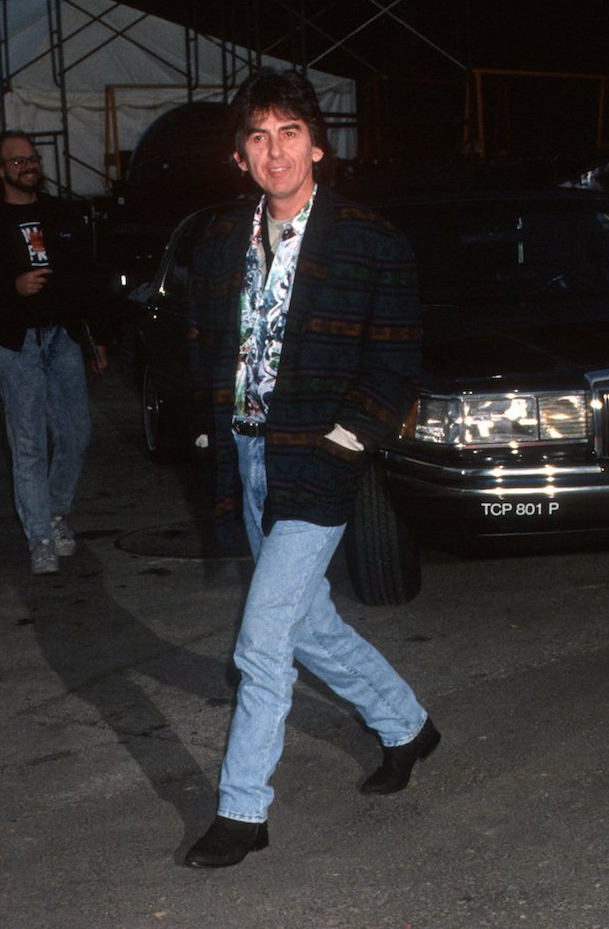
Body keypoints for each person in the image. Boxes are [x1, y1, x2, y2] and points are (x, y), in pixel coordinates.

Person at [182, 69, 438, 869]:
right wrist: (207, 426)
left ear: (319, 145)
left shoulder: (369, 238)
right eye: (258, 136)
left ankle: (243, 810)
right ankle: (406, 725)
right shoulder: (222, 238)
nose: (275, 151)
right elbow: (205, 342)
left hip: (319, 461)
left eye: (289, 132)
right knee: (307, 623)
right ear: (240, 155)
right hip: (248, 452)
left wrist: (345, 442)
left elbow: (396, 365)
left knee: (261, 638)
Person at [0, 131, 108, 575]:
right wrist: (13, 287)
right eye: (18, 161)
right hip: (15, 343)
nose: (29, 166)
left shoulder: (62, 215)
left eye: (33, 159)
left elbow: (86, 278)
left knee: (76, 433)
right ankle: (40, 537)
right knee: (27, 443)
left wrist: (95, 336)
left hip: (61, 337)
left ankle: (56, 510)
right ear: (0, 170)